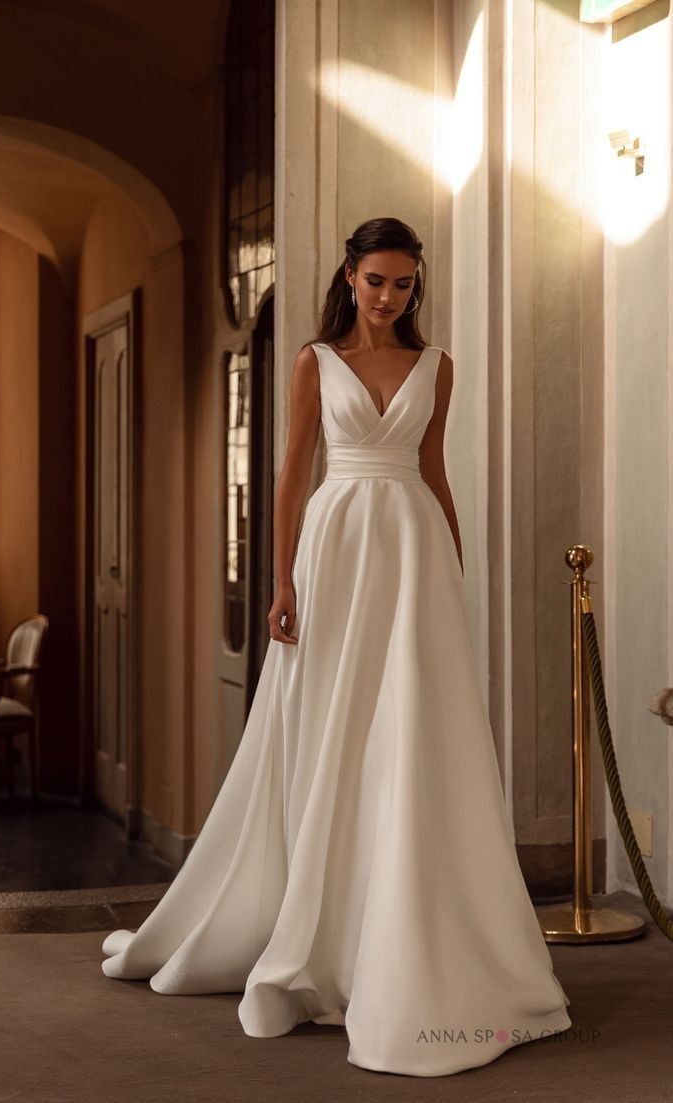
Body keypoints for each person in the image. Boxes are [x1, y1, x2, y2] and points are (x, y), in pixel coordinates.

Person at [101, 216, 572, 1077]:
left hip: (413, 552)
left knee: (413, 735)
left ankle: (408, 926)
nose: (390, 297)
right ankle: (321, 932)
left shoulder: (438, 368)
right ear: (349, 277)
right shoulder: (315, 361)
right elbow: (291, 472)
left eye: (404, 284)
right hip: (338, 543)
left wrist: (453, 574)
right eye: (377, 281)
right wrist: (281, 582)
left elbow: (433, 471)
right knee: (335, 727)